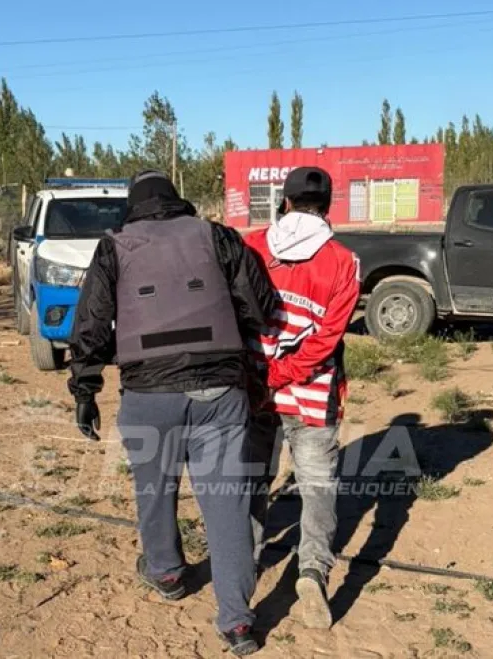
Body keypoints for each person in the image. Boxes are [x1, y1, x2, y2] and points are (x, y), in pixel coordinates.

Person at [67, 170, 276, 656]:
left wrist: (85, 390)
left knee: (155, 489)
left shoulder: (114, 246)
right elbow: (259, 306)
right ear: (175, 199)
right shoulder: (217, 235)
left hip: (148, 394)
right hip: (220, 391)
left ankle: (166, 573)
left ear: (133, 204)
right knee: (226, 503)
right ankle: (238, 623)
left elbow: (92, 326)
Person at [244, 166, 361, 630]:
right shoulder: (343, 261)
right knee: (317, 489)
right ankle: (312, 571)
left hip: (256, 391)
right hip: (313, 397)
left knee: (253, 480)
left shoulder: (252, 245)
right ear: (327, 206)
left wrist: (266, 374)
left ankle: (245, 562)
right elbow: (328, 338)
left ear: (285, 202)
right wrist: (289, 372)